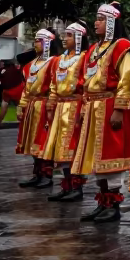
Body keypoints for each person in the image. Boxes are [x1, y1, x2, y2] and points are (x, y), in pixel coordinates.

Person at [71, 2, 130, 223]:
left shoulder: (121, 47)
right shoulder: (93, 49)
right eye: (96, 18)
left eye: (100, 19)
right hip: (93, 108)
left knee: (111, 158)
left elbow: (128, 79)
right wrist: (83, 108)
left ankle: (113, 205)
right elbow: (84, 82)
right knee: (95, 159)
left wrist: (119, 109)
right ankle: (102, 202)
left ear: (111, 22)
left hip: (110, 106)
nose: (95, 23)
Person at [43, 22, 89, 203]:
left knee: (73, 149)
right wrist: (50, 106)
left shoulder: (85, 58)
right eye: (65, 34)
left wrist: (83, 109)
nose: (65, 38)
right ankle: (66, 185)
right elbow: (53, 85)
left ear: (78, 38)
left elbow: (86, 85)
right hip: (60, 108)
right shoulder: (58, 60)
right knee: (61, 150)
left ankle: (77, 187)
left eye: (69, 35)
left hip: (75, 106)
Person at [16, 29, 59, 189]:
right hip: (32, 106)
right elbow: (26, 89)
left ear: (47, 42)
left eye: (39, 40)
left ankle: (47, 175)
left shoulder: (55, 62)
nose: (35, 43)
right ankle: (37, 173)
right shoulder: (29, 65)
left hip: (45, 105)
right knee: (31, 141)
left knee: (43, 141)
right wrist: (21, 106)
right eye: (35, 40)